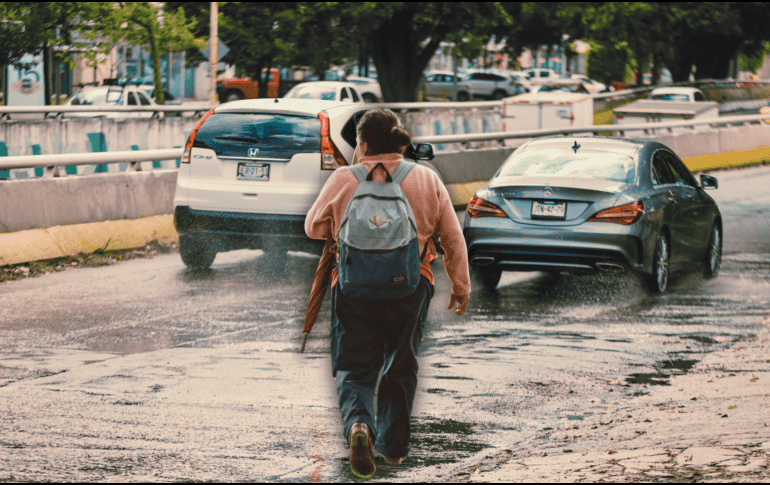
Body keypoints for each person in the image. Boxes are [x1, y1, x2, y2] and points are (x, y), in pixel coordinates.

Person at [304, 108, 470, 478]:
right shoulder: (425, 179)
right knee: (401, 362)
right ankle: (393, 448)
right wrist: (461, 285)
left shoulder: (345, 178)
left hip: (353, 288)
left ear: (361, 143)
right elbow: (452, 237)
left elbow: (313, 227)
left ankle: (359, 426)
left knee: (354, 366)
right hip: (410, 287)